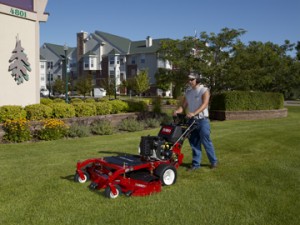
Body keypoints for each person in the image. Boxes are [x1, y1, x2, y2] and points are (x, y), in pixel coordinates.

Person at [174, 72, 218, 170]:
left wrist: (194, 112)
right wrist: (177, 111)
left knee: (206, 141)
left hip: (203, 120)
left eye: (192, 79)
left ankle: (214, 162)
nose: (189, 81)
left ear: (197, 79)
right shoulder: (188, 92)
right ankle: (196, 164)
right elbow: (183, 106)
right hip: (192, 121)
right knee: (194, 143)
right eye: (189, 79)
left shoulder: (204, 90)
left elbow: (205, 104)